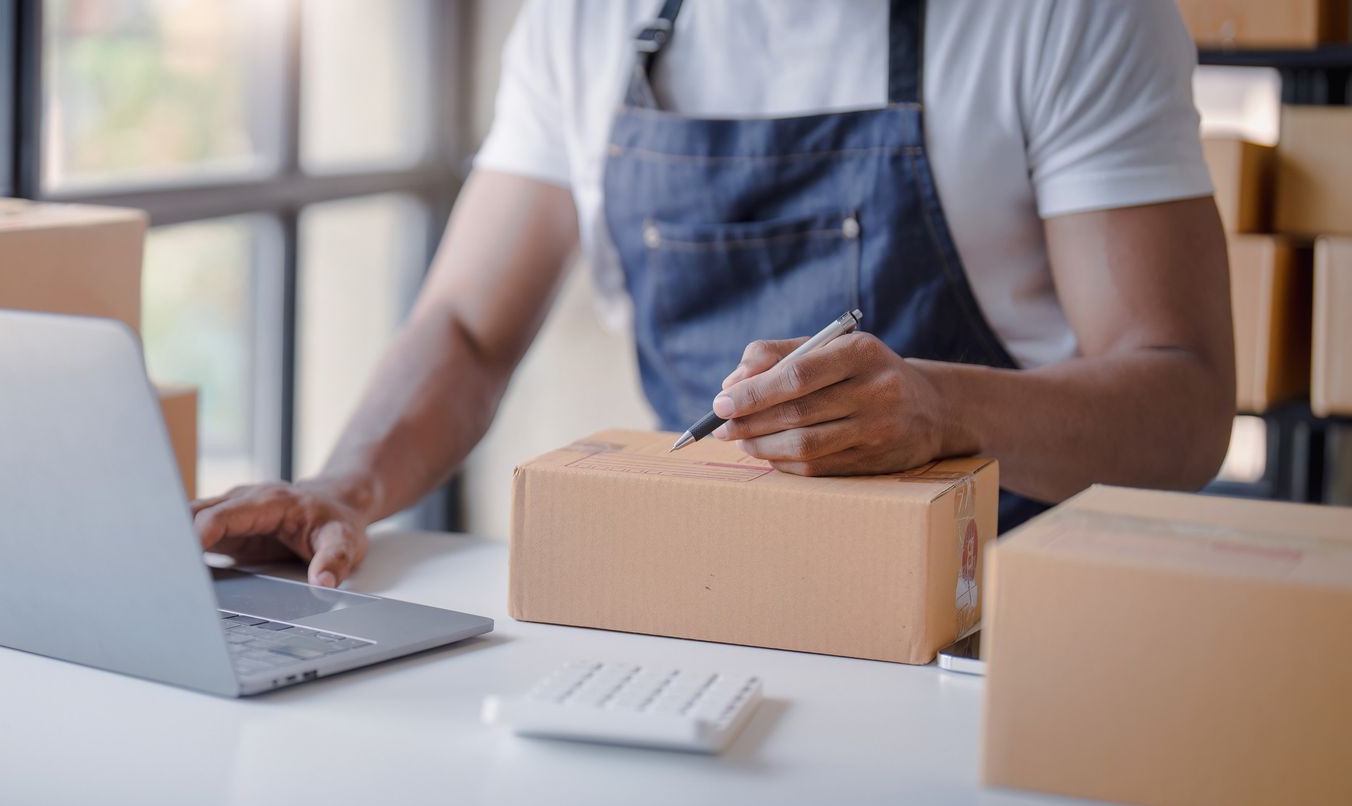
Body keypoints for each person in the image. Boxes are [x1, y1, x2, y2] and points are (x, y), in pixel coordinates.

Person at [192, 0, 1234, 587]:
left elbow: (1180, 403)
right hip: (695, 592)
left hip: (999, 616)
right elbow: (466, 326)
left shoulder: (1072, 16)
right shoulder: (582, 23)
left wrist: (941, 411)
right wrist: (348, 482)